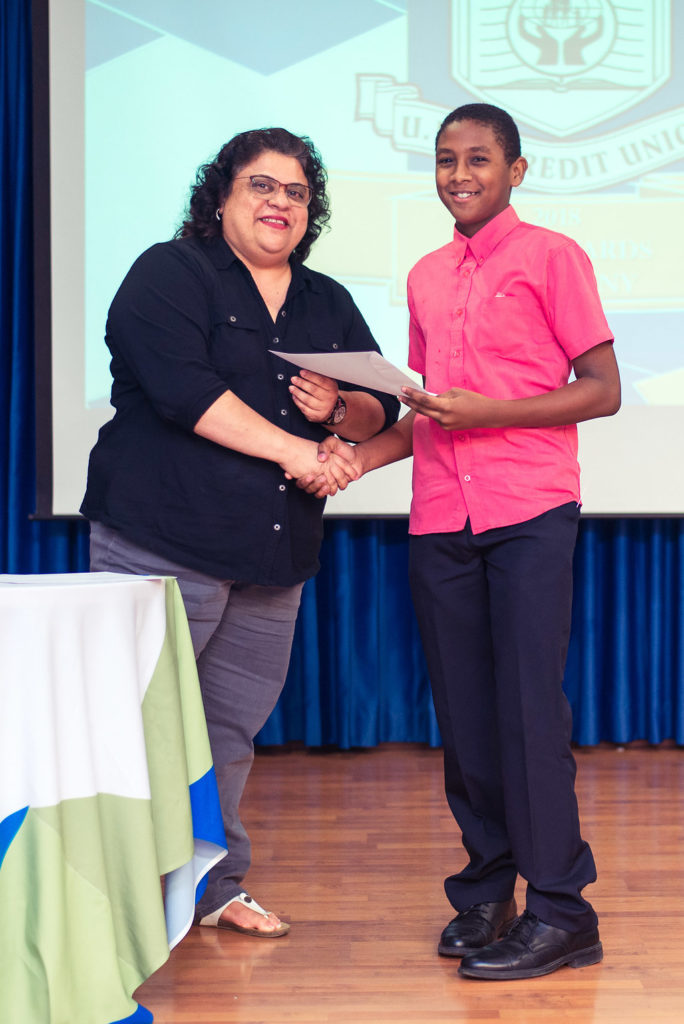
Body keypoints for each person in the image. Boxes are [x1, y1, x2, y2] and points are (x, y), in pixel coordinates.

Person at [303, 103, 621, 979]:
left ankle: (563, 910)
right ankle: (487, 892)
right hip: (442, 516)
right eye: (446, 159)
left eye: (479, 159)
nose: (459, 174)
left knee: (527, 713)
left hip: (528, 511)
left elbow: (602, 389)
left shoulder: (553, 256)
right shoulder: (424, 277)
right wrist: (355, 454)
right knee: (467, 720)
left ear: (516, 170)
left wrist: (492, 413)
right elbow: (430, 413)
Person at [81, 127, 399, 937]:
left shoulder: (325, 299)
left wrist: (343, 412)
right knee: (136, 729)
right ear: (221, 196)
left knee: (228, 733)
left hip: (272, 556)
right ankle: (113, 902)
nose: (279, 203)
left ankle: (212, 887)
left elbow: (381, 404)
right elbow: (184, 393)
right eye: (261, 185)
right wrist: (303, 452)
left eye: (296, 192)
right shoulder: (169, 273)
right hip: (163, 541)